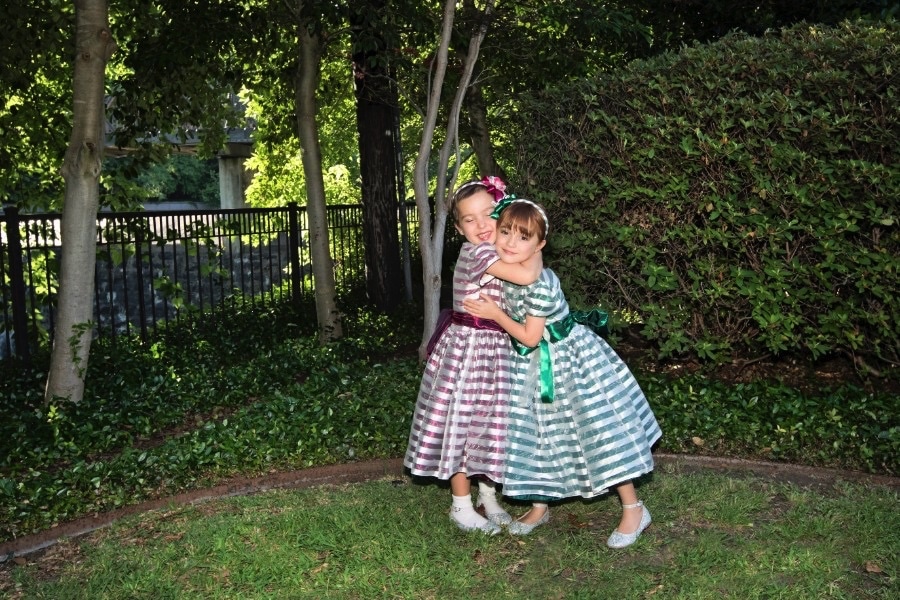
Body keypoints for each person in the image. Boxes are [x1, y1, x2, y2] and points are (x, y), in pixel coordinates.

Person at [463, 198, 661, 547]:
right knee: (539, 434)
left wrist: (495, 314)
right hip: (531, 364)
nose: (509, 242)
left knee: (596, 430)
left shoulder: (539, 284)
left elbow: (529, 335)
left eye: (523, 237)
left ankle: (634, 508)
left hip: (567, 362)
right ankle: (542, 504)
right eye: (505, 231)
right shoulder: (512, 267)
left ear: (539, 245)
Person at [404, 177, 543, 535]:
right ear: (458, 227)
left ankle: (489, 497)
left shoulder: (498, 249)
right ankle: (460, 505)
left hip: (494, 349)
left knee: (492, 424)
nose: (481, 225)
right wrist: (537, 240)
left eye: (488, 215)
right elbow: (528, 275)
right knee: (464, 425)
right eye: (470, 219)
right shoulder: (477, 253)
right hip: (468, 352)